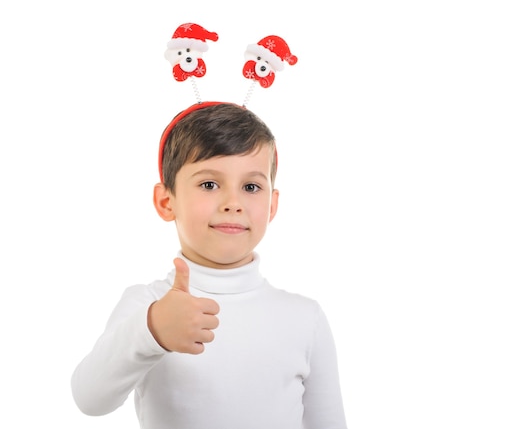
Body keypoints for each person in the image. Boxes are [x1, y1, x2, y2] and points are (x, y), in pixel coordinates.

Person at [71, 101, 347, 429]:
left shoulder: (305, 318)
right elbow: (89, 398)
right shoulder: (147, 306)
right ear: (165, 201)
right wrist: (152, 331)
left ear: (271, 206)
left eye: (251, 187)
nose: (233, 203)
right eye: (209, 184)